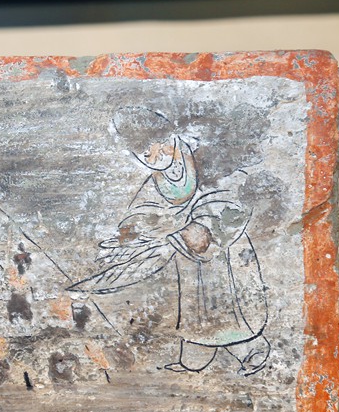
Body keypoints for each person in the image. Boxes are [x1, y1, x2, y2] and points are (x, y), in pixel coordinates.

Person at [70, 108, 271, 375]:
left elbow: (230, 196)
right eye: (146, 155)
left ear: (172, 138)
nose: (156, 158)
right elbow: (143, 214)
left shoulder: (207, 162)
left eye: (160, 147)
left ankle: (254, 350)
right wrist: (127, 238)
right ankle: (194, 363)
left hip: (222, 253)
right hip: (186, 259)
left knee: (231, 307)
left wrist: (200, 228)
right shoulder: (155, 183)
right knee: (196, 312)